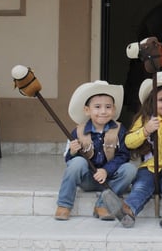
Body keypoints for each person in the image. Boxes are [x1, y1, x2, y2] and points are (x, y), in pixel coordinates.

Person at [102, 71, 162, 228]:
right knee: (141, 186)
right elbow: (128, 142)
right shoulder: (146, 121)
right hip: (149, 168)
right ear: (151, 102)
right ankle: (128, 211)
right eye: (161, 100)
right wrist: (145, 131)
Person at [54, 80, 137, 221]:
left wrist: (106, 170)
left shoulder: (119, 130)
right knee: (77, 162)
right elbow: (69, 162)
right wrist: (73, 153)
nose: (103, 111)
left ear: (114, 109)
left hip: (111, 180)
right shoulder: (78, 131)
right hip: (88, 180)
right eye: (97, 107)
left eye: (108, 107)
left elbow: (124, 156)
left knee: (130, 169)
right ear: (87, 110)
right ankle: (64, 204)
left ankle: (102, 205)